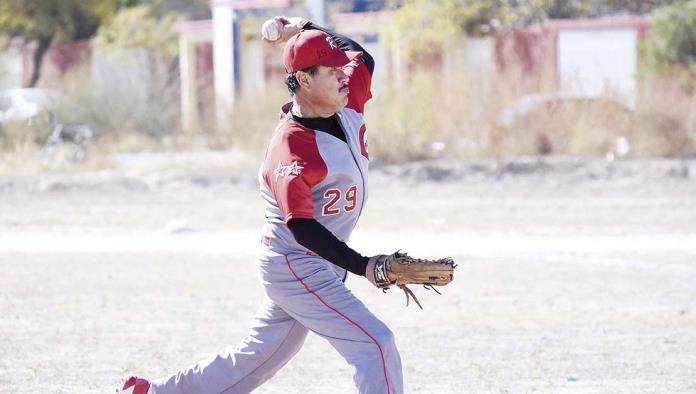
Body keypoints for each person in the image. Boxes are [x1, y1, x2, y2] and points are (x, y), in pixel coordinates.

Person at [119, 16, 403, 394]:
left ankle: (154, 393)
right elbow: (300, 226)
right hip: (297, 264)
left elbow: (361, 55)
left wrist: (302, 27)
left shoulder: (345, 100)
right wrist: (364, 266)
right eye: (332, 69)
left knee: (258, 357)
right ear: (303, 79)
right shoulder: (291, 148)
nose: (343, 74)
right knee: (375, 345)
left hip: (315, 264)